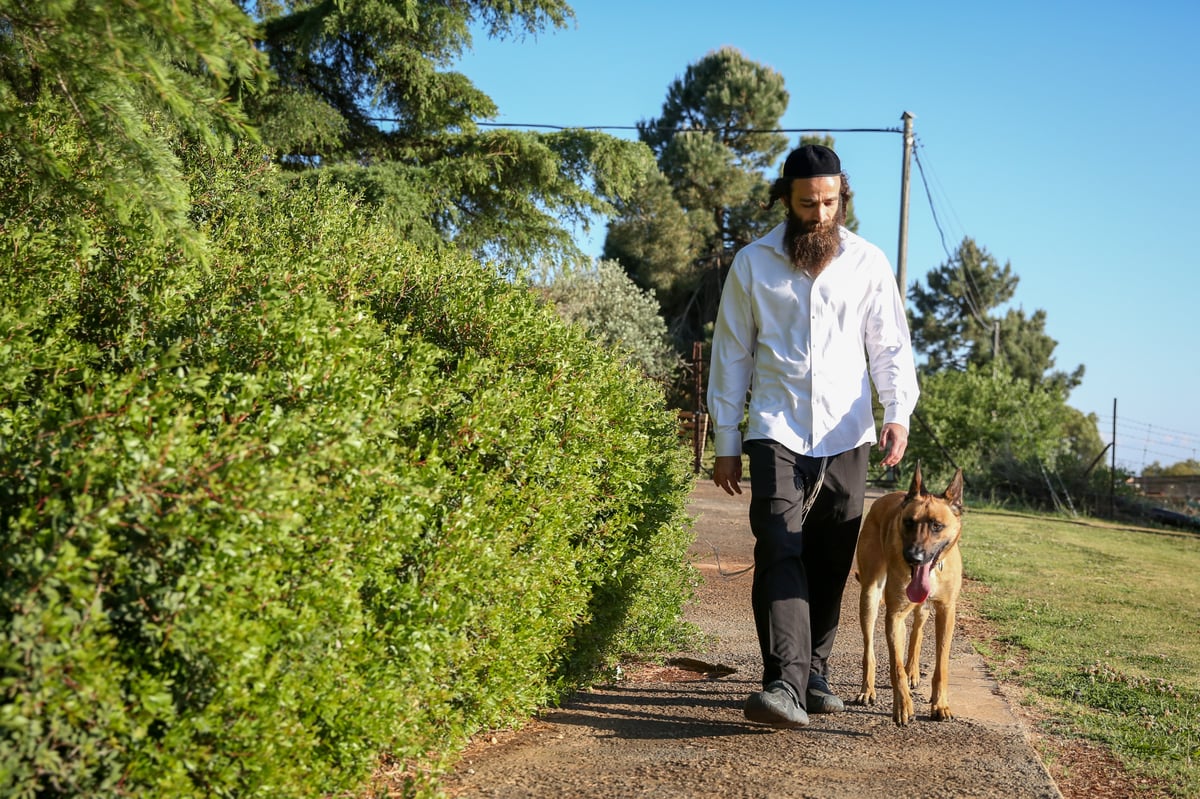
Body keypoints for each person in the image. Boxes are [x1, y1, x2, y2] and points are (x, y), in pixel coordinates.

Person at [707, 143, 919, 728]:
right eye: (808, 204)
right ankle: (783, 682)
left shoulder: (868, 263)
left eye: (829, 202)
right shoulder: (752, 264)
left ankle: (815, 672)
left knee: (831, 555)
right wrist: (727, 440)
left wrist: (897, 411)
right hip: (775, 427)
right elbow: (732, 355)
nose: (820, 214)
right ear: (786, 200)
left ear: (841, 197)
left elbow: (890, 346)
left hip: (848, 431)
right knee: (779, 543)